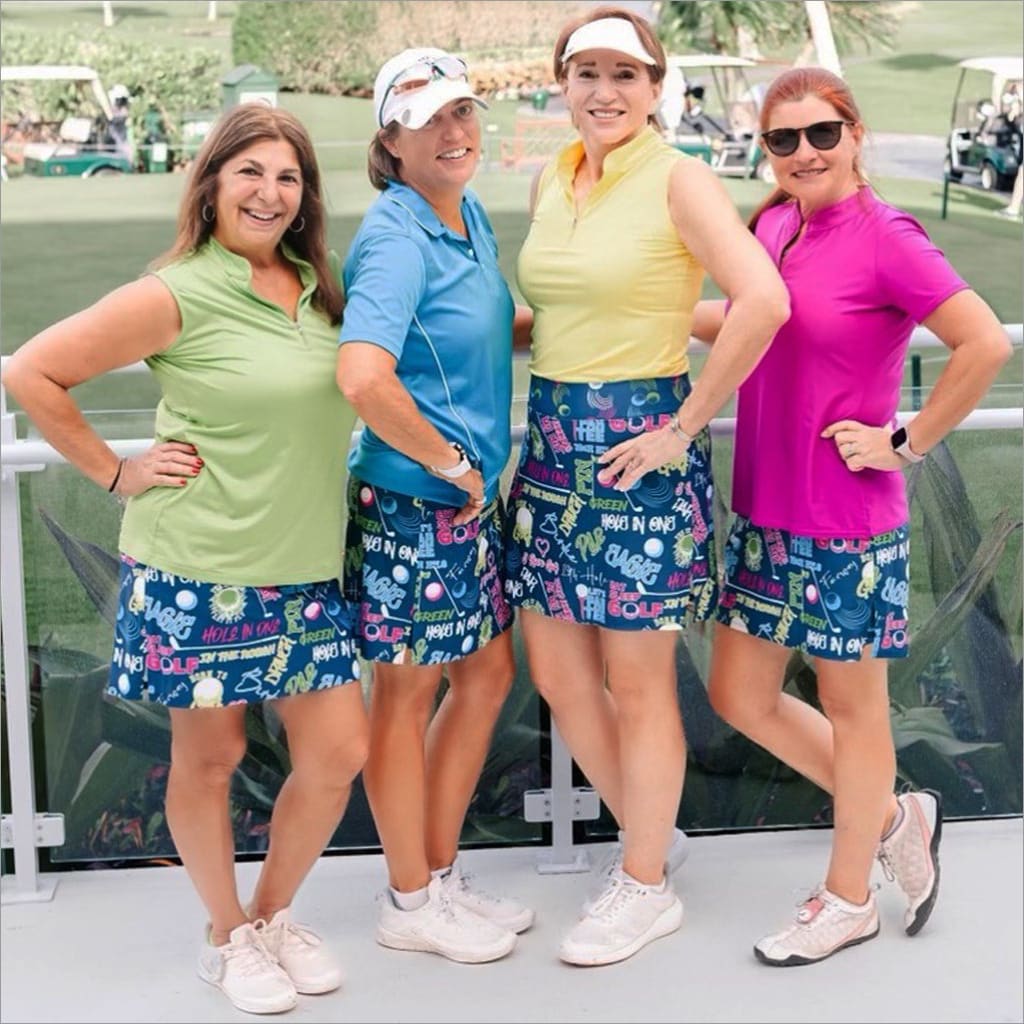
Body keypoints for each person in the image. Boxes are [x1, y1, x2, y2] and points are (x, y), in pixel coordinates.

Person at [3, 103, 369, 1014]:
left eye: (287, 177)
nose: (269, 193)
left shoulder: (318, 289)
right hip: (197, 570)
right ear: (210, 185)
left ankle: (270, 915)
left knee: (338, 752)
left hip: (305, 572)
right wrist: (115, 472)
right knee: (211, 758)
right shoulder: (175, 291)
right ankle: (227, 934)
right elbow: (31, 371)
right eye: (250, 172)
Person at [693, 66, 1012, 967]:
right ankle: (896, 815)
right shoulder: (773, 225)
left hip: (846, 521)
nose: (804, 153)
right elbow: (753, 321)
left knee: (853, 707)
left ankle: (849, 899)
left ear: (855, 134)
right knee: (738, 695)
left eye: (821, 133)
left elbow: (984, 341)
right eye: (782, 139)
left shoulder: (887, 238)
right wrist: (651, 314)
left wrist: (905, 441)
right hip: (765, 510)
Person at [504, 7, 790, 967]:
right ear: (563, 84)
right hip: (552, 449)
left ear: (656, 87)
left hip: (640, 456)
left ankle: (643, 884)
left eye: (625, 74)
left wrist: (683, 425)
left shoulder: (679, 177)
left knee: (636, 683)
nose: (604, 91)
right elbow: (556, 311)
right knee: (557, 674)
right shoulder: (553, 175)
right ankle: (649, 839)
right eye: (586, 72)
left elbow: (764, 299)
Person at [336, 47, 534, 965]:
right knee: (405, 697)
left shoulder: (466, 213)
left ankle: (437, 874)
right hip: (415, 504)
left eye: (461, 112)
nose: (453, 133)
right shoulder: (395, 237)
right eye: (427, 122)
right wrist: (448, 459)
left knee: (486, 677)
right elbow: (363, 375)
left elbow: (488, 327)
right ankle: (409, 899)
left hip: (464, 507)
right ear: (391, 142)